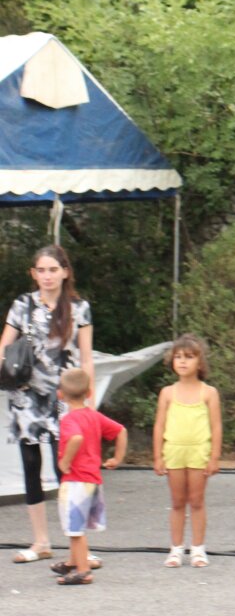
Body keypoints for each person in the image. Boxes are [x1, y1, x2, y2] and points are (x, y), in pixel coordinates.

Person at [1, 245, 95, 566]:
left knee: (65, 467)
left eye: (53, 269)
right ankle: (40, 541)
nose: (47, 276)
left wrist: (89, 401)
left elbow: (86, 358)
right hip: (25, 395)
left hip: (64, 396)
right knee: (30, 464)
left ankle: (77, 546)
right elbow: (4, 344)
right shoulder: (22, 305)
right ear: (33, 273)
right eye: (41, 270)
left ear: (65, 272)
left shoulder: (79, 308)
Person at [49, 367, 126, 586]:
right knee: (77, 525)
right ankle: (74, 561)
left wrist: (64, 462)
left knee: (74, 529)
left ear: (60, 394)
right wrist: (117, 458)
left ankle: (82, 571)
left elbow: (75, 438)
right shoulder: (94, 416)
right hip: (92, 480)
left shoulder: (68, 419)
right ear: (89, 392)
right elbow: (121, 431)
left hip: (75, 481)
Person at [152, 333, 222, 568]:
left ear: (200, 362)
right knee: (178, 501)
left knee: (197, 500)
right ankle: (176, 549)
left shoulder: (209, 392)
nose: (183, 362)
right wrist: (158, 456)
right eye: (178, 357)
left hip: (198, 453)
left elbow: (216, 426)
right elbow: (159, 425)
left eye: (189, 357)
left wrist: (214, 457)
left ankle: (198, 549)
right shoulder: (167, 393)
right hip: (174, 452)